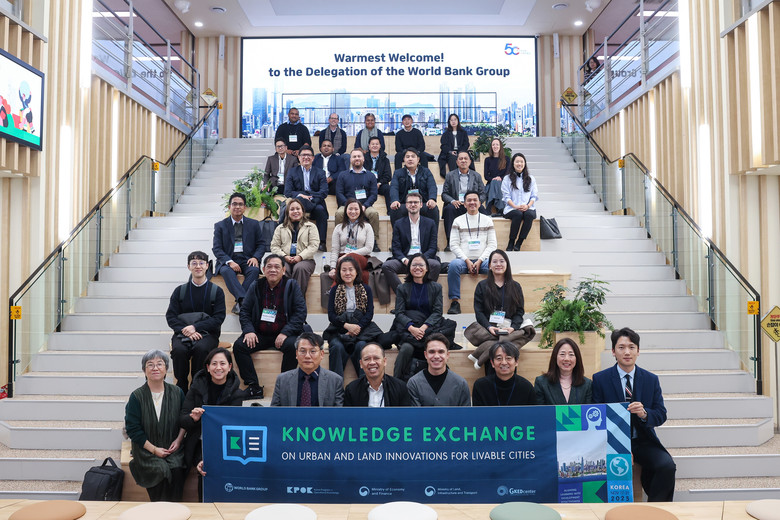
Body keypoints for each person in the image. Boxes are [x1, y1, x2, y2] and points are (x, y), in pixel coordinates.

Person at [592, 327, 676, 502]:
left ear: (638, 351)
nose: (627, 352)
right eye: (621, 347)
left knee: (667, 466)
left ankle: (656, 510)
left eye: (631, 347)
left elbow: (661, 414)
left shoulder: (651, 379)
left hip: (643, 440)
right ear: (613, 351)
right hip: (612, 441)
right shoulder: (600, 379)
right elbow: (596, 416)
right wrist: (621, 447)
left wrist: (644, 414)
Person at [233, 254, 307, 398]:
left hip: (284, 333)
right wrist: (248, 331)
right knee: (239, 346)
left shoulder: (291, 285)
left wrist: (285, 332)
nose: (273, 270)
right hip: (260, 333)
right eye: (269, 266)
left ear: (283, 270)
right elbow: (245, 311)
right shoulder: (256, 285)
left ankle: (285, 387)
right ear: (263, 269)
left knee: (294, 346)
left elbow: (300, 313)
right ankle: (253, 386)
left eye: (277, 267)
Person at [179, 347, 246, 500]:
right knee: (206, 466)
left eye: (222, 363)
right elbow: (182, 419)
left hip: (226, 444)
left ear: (230, 367)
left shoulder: (237, 394)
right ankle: (205, 507)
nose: (218, 368)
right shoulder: (196, 388)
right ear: (208, 368)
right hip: (199, 443)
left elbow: (235, 428)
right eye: (214, 364)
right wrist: (193, 418)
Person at [124, 350, 186, 502]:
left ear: (166, 368)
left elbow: (184, 419)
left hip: (172, 447)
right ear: (144, 370)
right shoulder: (137, 396)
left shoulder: (177, 392)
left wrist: (178, 440)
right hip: (146, 450)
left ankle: (175, 509)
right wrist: (154, 449)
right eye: (150, 365)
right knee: (159, 469)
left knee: (177, 468)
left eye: (159, 364)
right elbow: (133, 429)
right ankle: (159, 510)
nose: (155, 368)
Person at [165, 251, 226, 394]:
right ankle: (181, 388)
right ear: (188, 267)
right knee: (179, 351)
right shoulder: (179, 291)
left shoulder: (216, 291)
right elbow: (171, 316)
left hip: (208, 334)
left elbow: (218, 318)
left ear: (207, 266)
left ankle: (197, 388)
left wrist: (195, 327)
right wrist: (186, 331)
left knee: (202, 349)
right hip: (183, 333)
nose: (198, 266)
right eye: (194, 263)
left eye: (201, 263)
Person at [465, 249, 535, 368]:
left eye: (502, 261)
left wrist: (513, 328)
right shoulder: (482, 286)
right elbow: (479, 312)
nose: (498, 264)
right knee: (493, 358)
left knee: (507, 353)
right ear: (489, 266)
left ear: (507, 264)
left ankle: (479, 356)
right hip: (489, 330)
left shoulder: (515, 286)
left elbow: (519, 311)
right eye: (495, 261)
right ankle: (485, 356)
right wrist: (489, 327)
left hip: (509, 330)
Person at [391, 254, 455, 381]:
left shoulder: (436, 287)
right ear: (409, 268)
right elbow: (399, 313)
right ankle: (396, 382)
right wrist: (412, 328)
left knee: (435, 349)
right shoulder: (402, 288)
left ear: (426, 268)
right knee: (406, 349)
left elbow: (437, 312)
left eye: (421, 265)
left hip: (430, 329)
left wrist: (423, 328)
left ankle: (440, 380)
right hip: (409, 331)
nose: (417, 267)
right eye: (414, 264)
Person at [324, 256, 383, 378]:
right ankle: (336, 386)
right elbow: (331, 315)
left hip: (361, 330)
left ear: (356, 271)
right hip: (339, 328)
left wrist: (357, 327)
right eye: (344, 270)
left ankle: (363, 385)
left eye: (351, 269)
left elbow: (369, 313)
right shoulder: (334, 290)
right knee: (336, 347)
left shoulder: (366, 289)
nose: (347, 273)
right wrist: (346, 326)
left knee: (362, 347)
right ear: (339, 272)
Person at [212, 192, 264, 314]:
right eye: (234, 204)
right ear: (229, 207)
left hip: (247, 259)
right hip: (228, 260)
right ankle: (244, 301)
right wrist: (229, 262)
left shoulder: (254, 224)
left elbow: (261, 244)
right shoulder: (220, 226)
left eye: (240, 204)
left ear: (245, 207)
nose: (237, 207)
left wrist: (255, 257)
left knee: (254, 270)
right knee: (226, 271)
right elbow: (217, 248)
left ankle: (240, 302)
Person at [447, 190, 497, 314]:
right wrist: (467, 260)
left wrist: (480, 260)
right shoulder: (458, 221)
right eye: (469, 200)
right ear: (464, 204)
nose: (472, 202)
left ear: (480, 203)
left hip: (483, 260)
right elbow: (453, 245)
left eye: (475, 200)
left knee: (495, 267)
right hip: (463, 261)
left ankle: (494, 303)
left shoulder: (487, 220)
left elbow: (492, 245)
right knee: (453, 265)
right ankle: (455, 302)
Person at [382, 191, 441, 293]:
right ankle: (403, 294)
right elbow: (396, 248)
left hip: (423, 258)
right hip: (405, 259)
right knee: (387, 266)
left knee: (435, 265)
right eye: (410, 202)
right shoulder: (399, 224)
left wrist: (421, 260)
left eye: (416, 202)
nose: (413, 205)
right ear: (406, 205)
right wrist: (405, 260)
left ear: (421, 205)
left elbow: (433, 248)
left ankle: (424, 294)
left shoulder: (430, 223)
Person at [270, 332, 344, 406]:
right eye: (303, 351)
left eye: (312, 351)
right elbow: (274, 411)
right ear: (296, 354)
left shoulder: (335, 381)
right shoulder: (282, 380)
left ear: (321, 354)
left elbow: (338, 412)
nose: (307, 356)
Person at [284, 144, 329, 251]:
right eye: (303, 155)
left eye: (309, 155)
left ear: (313, 158)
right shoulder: (292, 171)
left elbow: (324, 192)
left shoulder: (320, 172)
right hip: (299, 204)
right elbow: (287, 192)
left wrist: (309, 197)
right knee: (296, 206)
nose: (306, 157)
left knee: (320, 210)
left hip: (315, 202)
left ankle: (322, 243)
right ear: (299, 157)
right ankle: (290, 241)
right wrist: (301, 196)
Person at [441, 150, 489, 251]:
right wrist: (453, 201)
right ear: (457, 162)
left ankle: (484, 241)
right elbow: (444, 194)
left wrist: (477, 202)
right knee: (449, 209)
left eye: (465, 158)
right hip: (457, 204)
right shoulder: (450, 175)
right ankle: (450, 242)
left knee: (483, 211)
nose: (463, 161)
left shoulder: (476, 175)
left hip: (472, 204)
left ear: (470, 161)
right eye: (461, 159)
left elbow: (483, 194)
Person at [270, 198, 319, 295]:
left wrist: (300, 257)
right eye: (292, 209)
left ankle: (298, 300)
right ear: (287, 212)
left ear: (302, 211)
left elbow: (314, 246)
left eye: (298, 209)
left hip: (305, 260)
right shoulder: (280, 228)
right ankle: (284, 299)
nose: (295, 211)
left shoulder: (311, 226)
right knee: (283, 269)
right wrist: (284, 256)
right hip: (285, 259)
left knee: (300, 268)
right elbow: (274, 247)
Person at [335, 149, 381, 249]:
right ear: (350, 159)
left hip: (365, 205)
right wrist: (349, 206)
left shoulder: (370, 175)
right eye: (354, 156)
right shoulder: (342, 175)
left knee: (374, 214)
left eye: (359, 156)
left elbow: (374, 194)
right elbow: (339, 193)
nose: (357, 158)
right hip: (347, 205)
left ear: (363, 159)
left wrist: (365, 205)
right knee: (339, 213)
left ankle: (373, 241)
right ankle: (339, 241)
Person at [407, 334, 470, 406]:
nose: (436, 356)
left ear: (447, 355)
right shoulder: (414, 383)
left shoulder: (461, 384)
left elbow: (465, 412)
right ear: (425, 355)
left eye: (441, 352)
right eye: (432, 352)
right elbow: (415, 412)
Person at [344, 343, 411, 407]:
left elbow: (405, 414)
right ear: (361, 364)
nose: (372, 362)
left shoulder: (400, 388)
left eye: (376, 358)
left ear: (384, 361)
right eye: (367, 359)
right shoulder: (351, 390)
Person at [471, 342, 536, 406]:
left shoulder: (526, 387)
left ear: (516, 362)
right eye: (499, 358)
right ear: (492, 363)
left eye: (508, 358)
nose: (504, 363)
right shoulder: (481, 386)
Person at [534, 338, 593, 405]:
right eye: (562, 354)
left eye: (571, 354)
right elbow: (540, 410)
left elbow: (587, 410)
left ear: (577, 358)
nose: (566, 359)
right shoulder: (541, 383)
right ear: (555, 357)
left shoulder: (587, 384)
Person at [389, 147, 439, 225]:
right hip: (404, 203)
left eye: (413, 156)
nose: (410, 159)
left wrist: (432, 199)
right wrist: (395, 200)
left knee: (433, 208)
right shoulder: (398, 173)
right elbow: (394, 187)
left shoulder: (426, 171)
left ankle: (433, 233)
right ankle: (398, 233)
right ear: (404, 159)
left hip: (422, 203)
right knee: (395, 209)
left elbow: (432, 186)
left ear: (418, 159)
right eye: (407, 157)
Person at [328, 198, 374, 284]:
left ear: (360, 211)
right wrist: (333, 268)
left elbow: (368, 248)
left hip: (361, 258)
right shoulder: (338, 227)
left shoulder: (367, 227)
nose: (353, 211)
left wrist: (348, 254)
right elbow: (335, 250)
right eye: (350, 209)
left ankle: (334, 288)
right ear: (346, 210)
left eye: (356, 209)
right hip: (342, 258)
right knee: (346, 263)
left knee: (350, 258)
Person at [501, 153, 538, 251]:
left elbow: (534, 196)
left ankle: (519, 242)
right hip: (511, 208)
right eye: (517, 162)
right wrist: (516, 206)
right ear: (513, 163)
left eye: (522, 162)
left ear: (525, 163)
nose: (519, 164)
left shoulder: (531, 178)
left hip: (528, 207)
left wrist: (528, 206)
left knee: (529, 215)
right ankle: (511, 241)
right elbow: (506, 197)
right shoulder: (507, 179)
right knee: (518, 214)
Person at [365, 136, 393, 214]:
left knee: (388, 188)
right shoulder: (363, 159)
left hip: (380, 185)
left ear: (380, 146)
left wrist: (379, 183)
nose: (375, 146)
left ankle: (391, 212)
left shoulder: (385, 160)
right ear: (369, 146)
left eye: (377, 144)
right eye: (372, 144)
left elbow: (388, 176)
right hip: (367, 184)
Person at [438, 113, 470, 177]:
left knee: (465, 157)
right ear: (449, 122)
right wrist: (451, 152)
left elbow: (466, 144)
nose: (453, 121)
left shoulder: (463, 133)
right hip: (449, 153)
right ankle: (455, 178)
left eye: (455, 119)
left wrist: (460, 152)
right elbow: (443, 146)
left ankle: (468, 177)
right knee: (452, 158)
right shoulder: (446, 134)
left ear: (458, 121)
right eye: (451, 120)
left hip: (461, 152)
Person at [483, 138, 509, 214]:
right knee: (495, 182)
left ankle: (489, 205)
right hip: (491, 184)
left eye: (497, 144)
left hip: (503, 183)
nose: (495, 146)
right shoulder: (487, 160)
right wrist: (494, 179)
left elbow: (508, 174)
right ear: (491, 147)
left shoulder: (506, 159)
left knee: (497, 182)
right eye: (493, 145)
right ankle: (500, 208)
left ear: (500, 146)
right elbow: (486, 176)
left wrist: (500, 178)